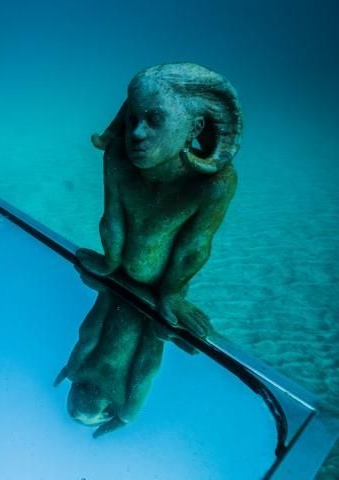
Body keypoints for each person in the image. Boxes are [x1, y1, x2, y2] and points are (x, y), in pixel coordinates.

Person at [78, 62, 242, 337]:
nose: (137, 133)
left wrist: (172, 294)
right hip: (117, 277)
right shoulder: (118, 156)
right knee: (94, 338)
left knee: (145, 360)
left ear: (194, 128)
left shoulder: (215, 183)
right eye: (132, 119)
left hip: (164, 289)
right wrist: (109, 262)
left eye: (155, 120)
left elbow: (194, 246)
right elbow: (112, 217)